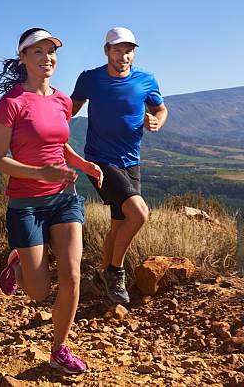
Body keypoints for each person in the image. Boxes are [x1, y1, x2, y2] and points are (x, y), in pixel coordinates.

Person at [0, 27, 103, 374]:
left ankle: (58, 349)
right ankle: (18, 263)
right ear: (23, 58)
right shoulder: (12, 103)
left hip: (64, 199)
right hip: (26, 205)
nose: (47, 57)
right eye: (37, 51)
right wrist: (41, 174)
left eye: (51, 51)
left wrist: (81, 164)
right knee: (38, 292)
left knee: (71, 275)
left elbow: (56, 142)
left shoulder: (62, 100)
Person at [70, 27, 168, 306]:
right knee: (138, 214)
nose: (123, 55)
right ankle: (115, 271)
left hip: (131, 160)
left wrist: (157, 121)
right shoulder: (90, 79)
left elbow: (160, 109)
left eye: (128, 50)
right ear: (106, 51)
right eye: (117, 49)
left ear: (134, 52)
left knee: (119, 224)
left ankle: (102, 273)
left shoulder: (146, 80)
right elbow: (67, 110)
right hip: (100, 160)